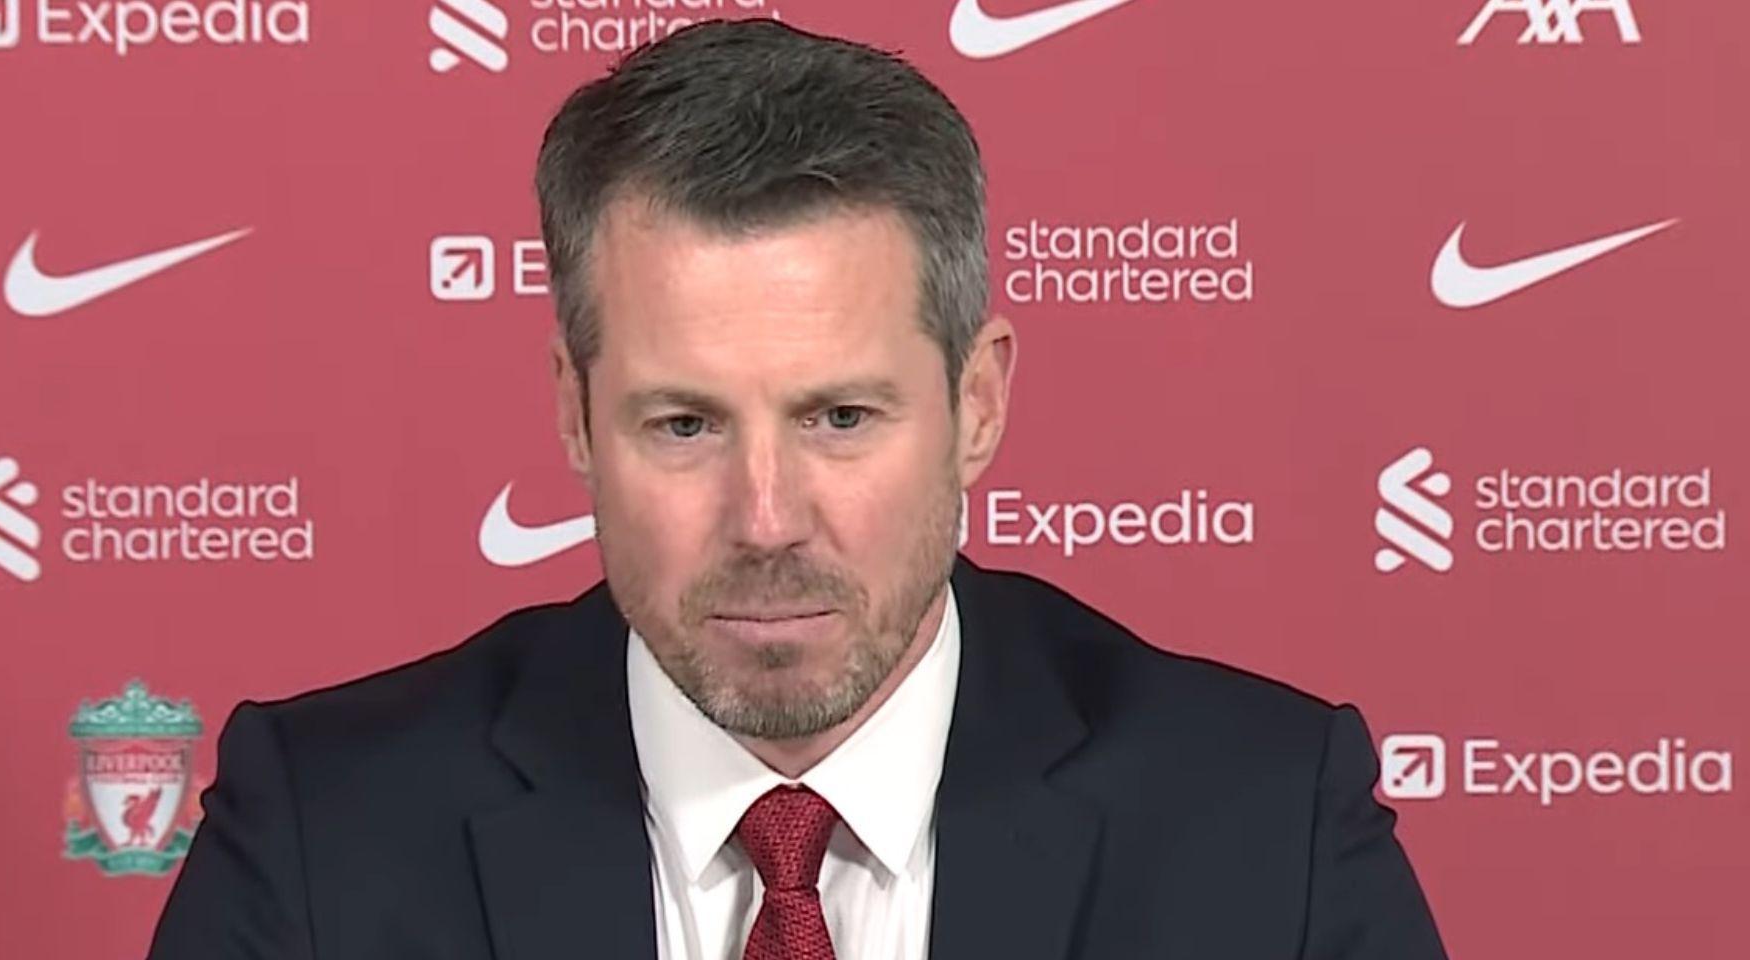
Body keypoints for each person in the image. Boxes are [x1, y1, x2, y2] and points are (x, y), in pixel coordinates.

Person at [148, 18, 1448, 960]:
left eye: (840, 419)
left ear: (977, 405)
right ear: (574, 414)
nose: (766, 520)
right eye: (684, 424)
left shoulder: (1265, 831)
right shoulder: (324, 832)